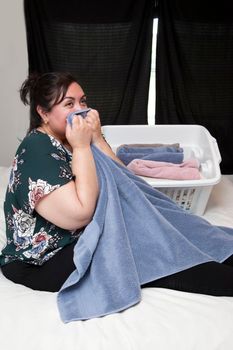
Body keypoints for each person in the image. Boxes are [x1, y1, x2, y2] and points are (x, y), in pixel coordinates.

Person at [1, 71, 233, 297]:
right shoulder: (37, 148)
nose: (81, 110)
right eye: (69, 104)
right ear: (44, 113)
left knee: (173, 227)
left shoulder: (73, 139)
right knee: (152, 250)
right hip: (44, 260)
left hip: (85, 234)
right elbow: (79, 214)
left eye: (83, 101)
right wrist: (82, 146)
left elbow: (124, 181)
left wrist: (97, 139)